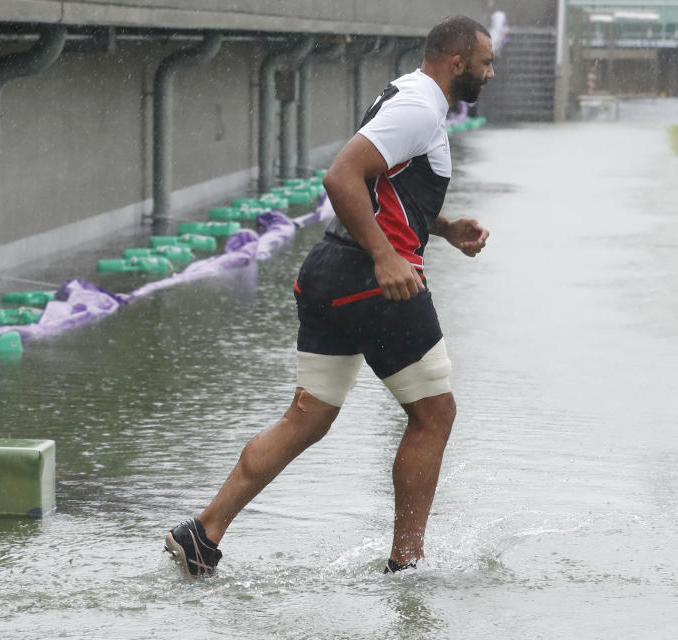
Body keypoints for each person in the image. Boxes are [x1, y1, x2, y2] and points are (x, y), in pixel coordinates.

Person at [165, 15, 495, 578]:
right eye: (486, 62)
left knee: (307, 417)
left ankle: (203, 532)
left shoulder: (408, 97)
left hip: (329, 274)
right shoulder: (419, 108)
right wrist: (388, 256)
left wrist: (439, 227)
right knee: (434, 415)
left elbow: (380, 186)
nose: (492, 72)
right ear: (457, 62)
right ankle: (406, 564)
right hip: (374, 282)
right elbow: (342, 177)